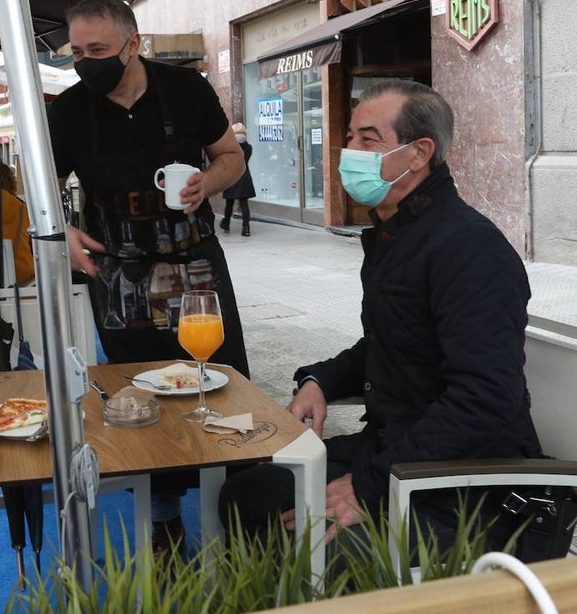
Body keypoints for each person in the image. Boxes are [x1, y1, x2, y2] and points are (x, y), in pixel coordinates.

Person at [218, 80, 542, 559]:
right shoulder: (400, 234)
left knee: (318, 546)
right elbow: (390, 343)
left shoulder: (468, 248)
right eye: (350, 137)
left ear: (419, 154)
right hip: (400, 451)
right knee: (249, 491)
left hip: (465, 486)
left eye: (369, 140)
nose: (350, 151)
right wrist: (319, 380)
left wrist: (369, 486)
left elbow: (486, 397)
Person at [47, 0, 248, 559]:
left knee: (222, 386)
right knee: (139, 399)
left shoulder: (187, 91)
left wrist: (207, 183)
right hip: (120, 274)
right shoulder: (66, 112)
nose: (87, 61)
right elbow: (30, 187)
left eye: (99, 49)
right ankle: (163, 521)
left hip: (195, 264)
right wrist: (61, 230)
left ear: (133, 44)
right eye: (78, 51)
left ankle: (240, 509)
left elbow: (230, 156)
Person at [220, 122, 255, 236]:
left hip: (232, 177)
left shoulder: (230, 147)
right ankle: (246, 228)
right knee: (244, 204)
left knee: (229, 204)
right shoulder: (248, 148)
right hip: (244, 177)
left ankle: (226, 224)